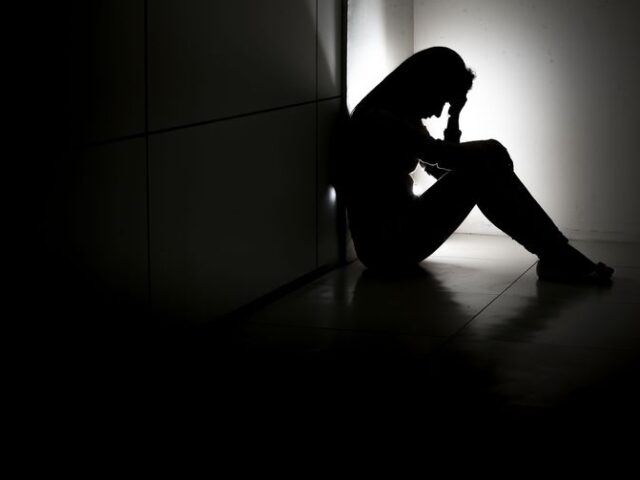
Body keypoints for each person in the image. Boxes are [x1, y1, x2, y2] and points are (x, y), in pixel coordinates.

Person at [341, 46, 613, 283]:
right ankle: (557, 254)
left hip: (400, 234)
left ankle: (556, 253)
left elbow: (439, 169)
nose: (438, 111)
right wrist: (488, 149)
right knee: (484, 164)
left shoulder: (401, 118)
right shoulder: (378, 119)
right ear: (425, 84)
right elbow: (438, 155)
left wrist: (455, 116)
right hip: (386, 247)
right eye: (441, 99)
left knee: (482, 167)